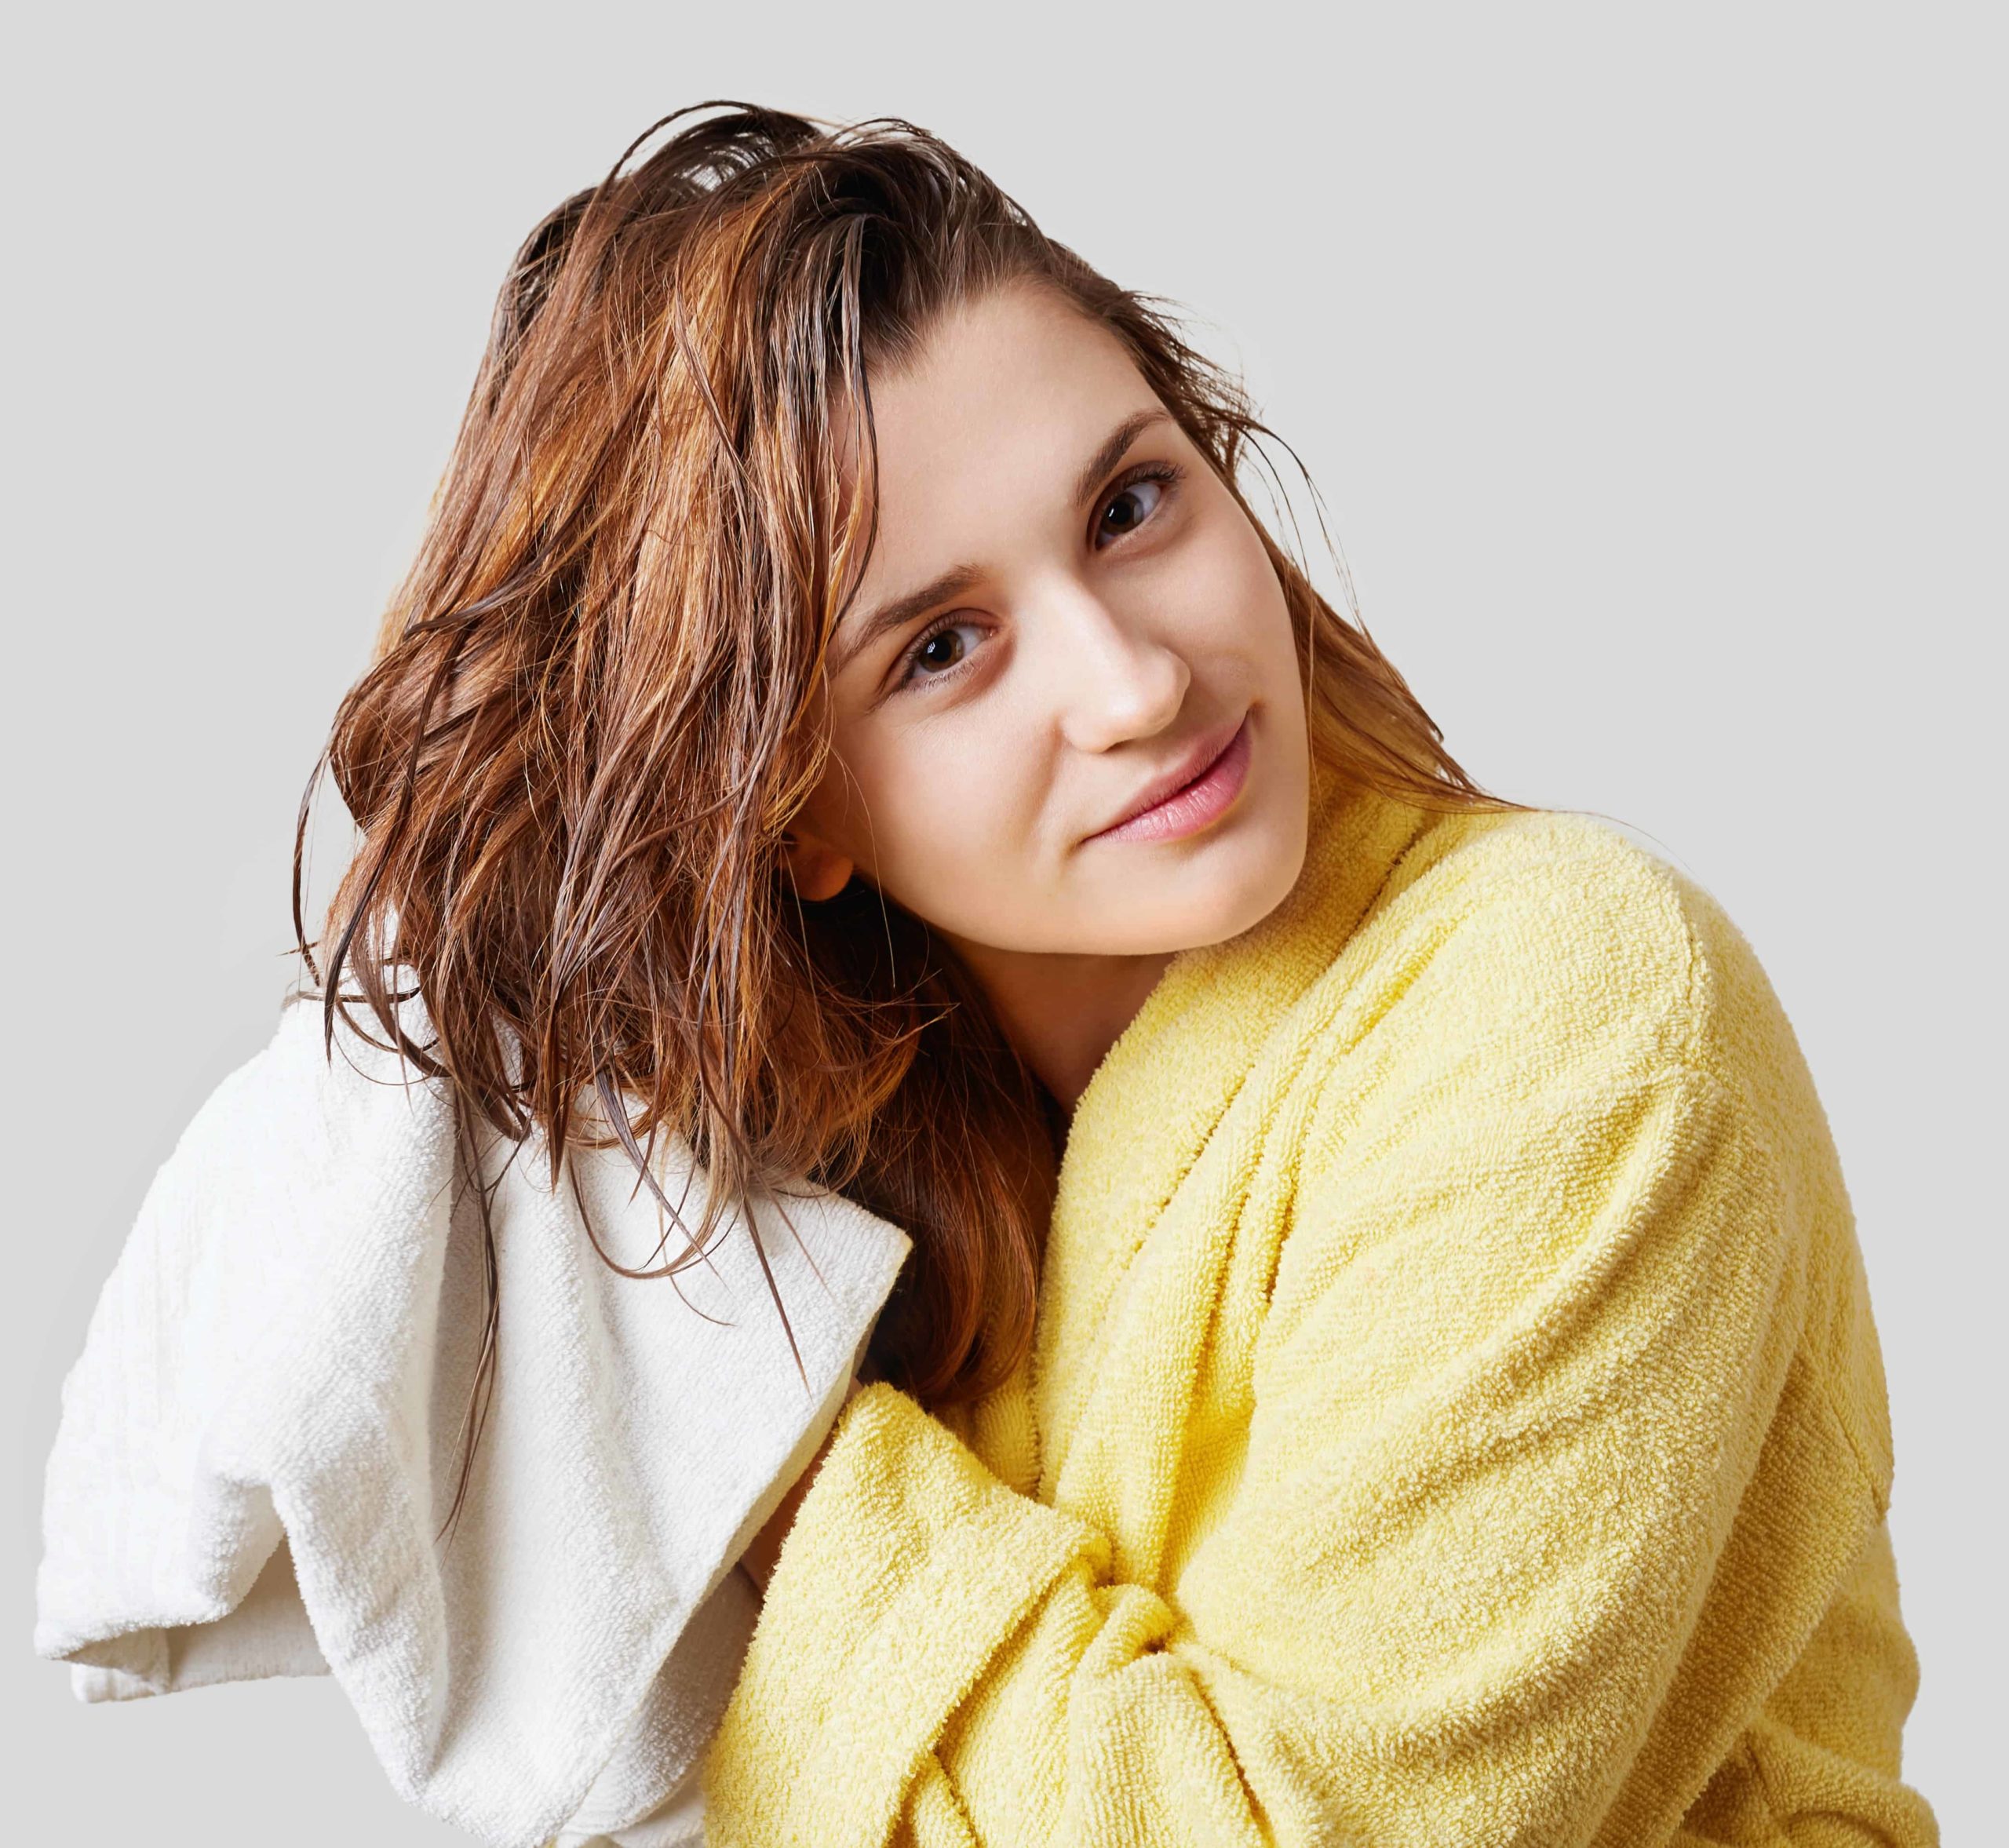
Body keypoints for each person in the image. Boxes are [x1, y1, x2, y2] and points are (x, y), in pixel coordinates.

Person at [305, 103, 1935, 1844]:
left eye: (1128, 504)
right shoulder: (898, 1214)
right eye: (942, 647)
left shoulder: (1570, 1004)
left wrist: (763, 1466)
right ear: (793, 814)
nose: (1133, 678)